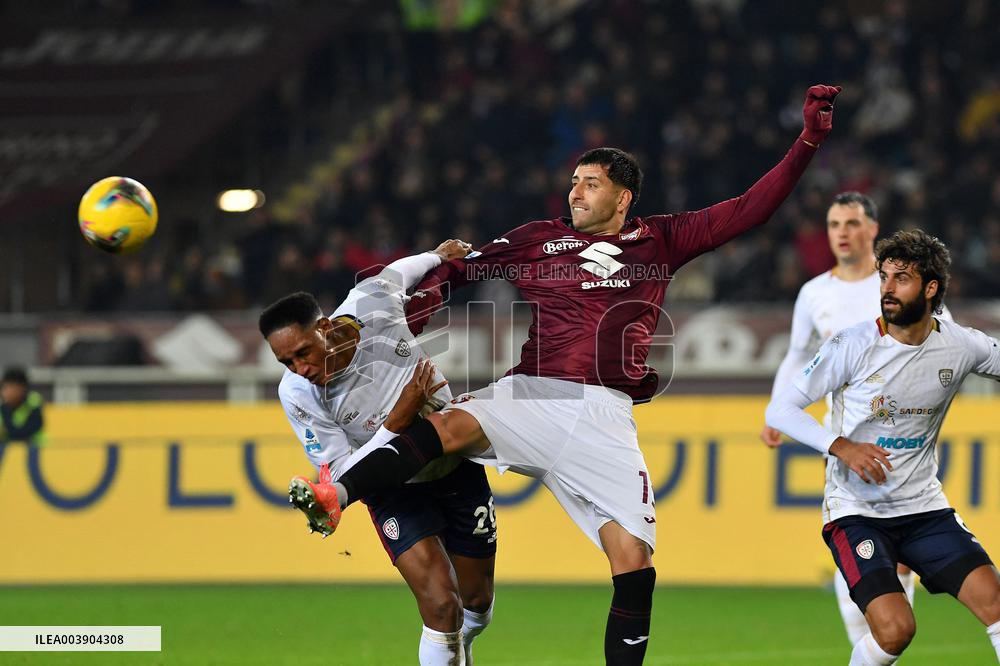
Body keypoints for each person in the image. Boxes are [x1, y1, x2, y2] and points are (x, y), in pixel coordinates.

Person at [293, 83, 842, 665]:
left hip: (604, 416)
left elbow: (751, 208)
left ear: (623, 196)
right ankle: (337, 494)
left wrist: (808, 140)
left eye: (590, 183)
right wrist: (394, 307)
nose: (575, 191)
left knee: (633, 562)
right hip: (530, 393)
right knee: (447, 429)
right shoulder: (538, 239)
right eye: (574, 181)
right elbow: (457, 271)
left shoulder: (663, 238)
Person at [766, 230, 1000, 665]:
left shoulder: (960, 345)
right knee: (896, 630)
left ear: (931, 289)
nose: (888, 289)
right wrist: (842, 447)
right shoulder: (852, 345)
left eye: (902, 279)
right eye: (884, 277)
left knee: (996, 603)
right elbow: (780, 410)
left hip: (925, 510)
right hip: (857, 513)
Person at [259, 239, 496, 666]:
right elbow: (340, 474)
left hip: (455, 465)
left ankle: (464, 646)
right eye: (286, 362)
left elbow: (400, 273)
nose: (300, 370)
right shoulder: (298, 394)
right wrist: (396, 422)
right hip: (393, 490)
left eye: (302, 353)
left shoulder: (370, 303)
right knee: (442, 606)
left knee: (475, 605)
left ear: (326, 327)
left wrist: (438, 257)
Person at [760, 191, 922, 645]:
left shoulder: (896, 284)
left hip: (908, 434)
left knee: (904, 552)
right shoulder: (815, 293)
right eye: (834, 225)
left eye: (851, 224)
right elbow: (797, 353)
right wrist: (778, 407)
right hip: (845, 439)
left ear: (873, 229)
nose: (842, 234)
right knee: (860, 543)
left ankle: (880, 646)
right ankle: (864, 647)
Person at [0, 367, 45, 446]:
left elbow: (20, 434)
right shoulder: (3, 405)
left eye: (9, 387)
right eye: (3, 387)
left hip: (36, 452)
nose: (4, 392)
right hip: (10, 453)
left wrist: (5, 410)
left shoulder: (33, 403)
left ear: (21, 388)